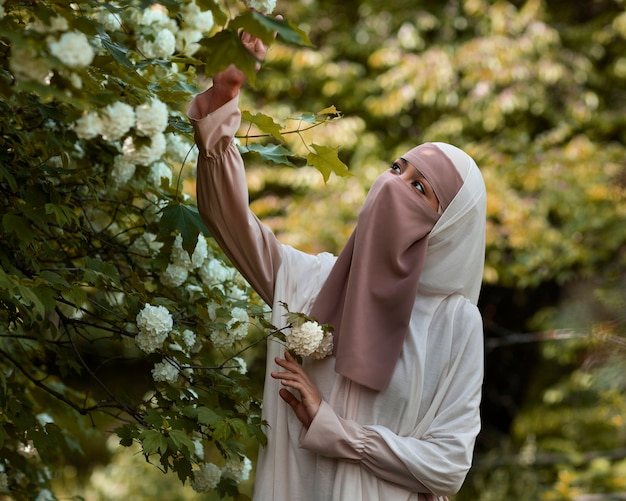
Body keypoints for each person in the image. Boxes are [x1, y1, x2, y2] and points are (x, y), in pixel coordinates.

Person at [187, 29, 486, 501]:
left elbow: (448, 466)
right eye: (397, 168)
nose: (393, 184)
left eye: (419, 188)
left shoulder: (454, 322)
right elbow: (229, 221)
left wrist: (334, 429)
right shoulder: (314, 281)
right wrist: (224, 99)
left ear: (447, 227)